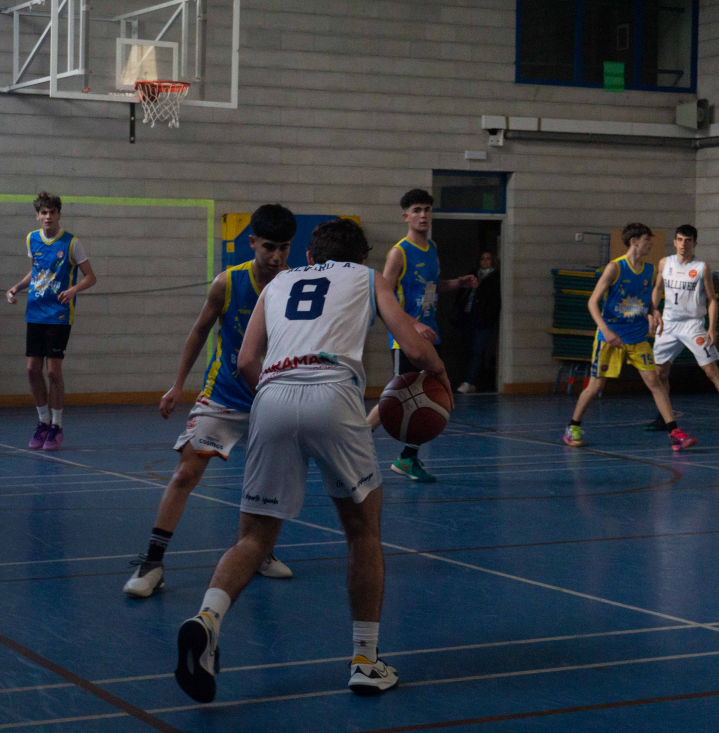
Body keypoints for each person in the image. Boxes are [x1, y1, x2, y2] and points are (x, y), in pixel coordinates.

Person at [173, 218, 453, 703]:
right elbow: (413, 347)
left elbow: (245, 361)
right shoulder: (368, 277)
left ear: (308, 256)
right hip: (333, 392)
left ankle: (208, 619)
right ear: (360, 257)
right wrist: (441, 375)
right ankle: (365, 661)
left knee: (254, 537)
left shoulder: (277, 283)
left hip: (272, 395)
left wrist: (278, 393)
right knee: (363, 531)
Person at [123, 204, 297, 598]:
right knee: (185, 474)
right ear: (251, 242)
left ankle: (258, 552)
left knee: (266, 484)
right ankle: (153, 563)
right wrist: (177, 385)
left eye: (284, 248)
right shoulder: (227, 283)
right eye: (269, 247)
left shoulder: (293, 286)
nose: (276, 256)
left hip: (270, 399)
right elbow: (200, 331)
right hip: (222, 395)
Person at [364, 189, 475, 483]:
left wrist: (458, 283)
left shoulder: (432, 248)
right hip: (405, 337)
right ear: (406, 216)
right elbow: (384, 298)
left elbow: (432, 286)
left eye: (427, 209)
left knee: (428, 395)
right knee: (398, 395)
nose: (423, 215)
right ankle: (356, 442)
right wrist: (412, 325)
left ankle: (408, 458)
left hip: (430, 335)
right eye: (417, 210)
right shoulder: (398, 253)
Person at [563, 222, 697, 450]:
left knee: (655, 382)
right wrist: (606, 331)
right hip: (611, 338)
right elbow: (592, 302)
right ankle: (572, 426)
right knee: (595, 386)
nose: (651, 244)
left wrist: (654, 312)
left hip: (637, 338)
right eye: (647, 240)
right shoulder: (615, 268)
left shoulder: (649, 270)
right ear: (634, 241)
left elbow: (647, 302)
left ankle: (675, 433)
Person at [5, 191, 97, 451]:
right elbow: (35, 272)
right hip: (35, 311)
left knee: (53, 371)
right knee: (32, 370)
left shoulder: (71, 243)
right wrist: (16, 288)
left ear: (59, 214)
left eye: (52, 212)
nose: (48, 216)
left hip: (58, 314)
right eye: (43, 212)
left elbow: (91, 277)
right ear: (37, 216)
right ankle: (43, 421)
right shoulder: (32, 239)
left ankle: (57, 425)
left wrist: (74, 289)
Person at [648, 225, 719, 434]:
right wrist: (653, 310)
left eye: (688, 240)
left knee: (711, 370)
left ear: (694, 243)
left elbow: (712, 300)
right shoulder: (665, 263)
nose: (683, 244)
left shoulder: (701, 268)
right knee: (659, 372)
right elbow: (658, 289)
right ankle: (664, 416)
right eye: (680, 239)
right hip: (668, 324)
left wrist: (711, 327)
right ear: (674, 242)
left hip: (692, 325)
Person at [453, 250, 501, 394]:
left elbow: (494, 301)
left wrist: (488, 316)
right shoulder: (473, 275)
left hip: (483, 320)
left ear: (493, 261)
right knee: (468, 350)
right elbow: (462, 293)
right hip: (468, 316)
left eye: (488, 259)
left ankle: (468, 381)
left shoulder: (495, 277)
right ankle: (472, 381)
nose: (485, 261)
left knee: (477, 350)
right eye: (482, 259)